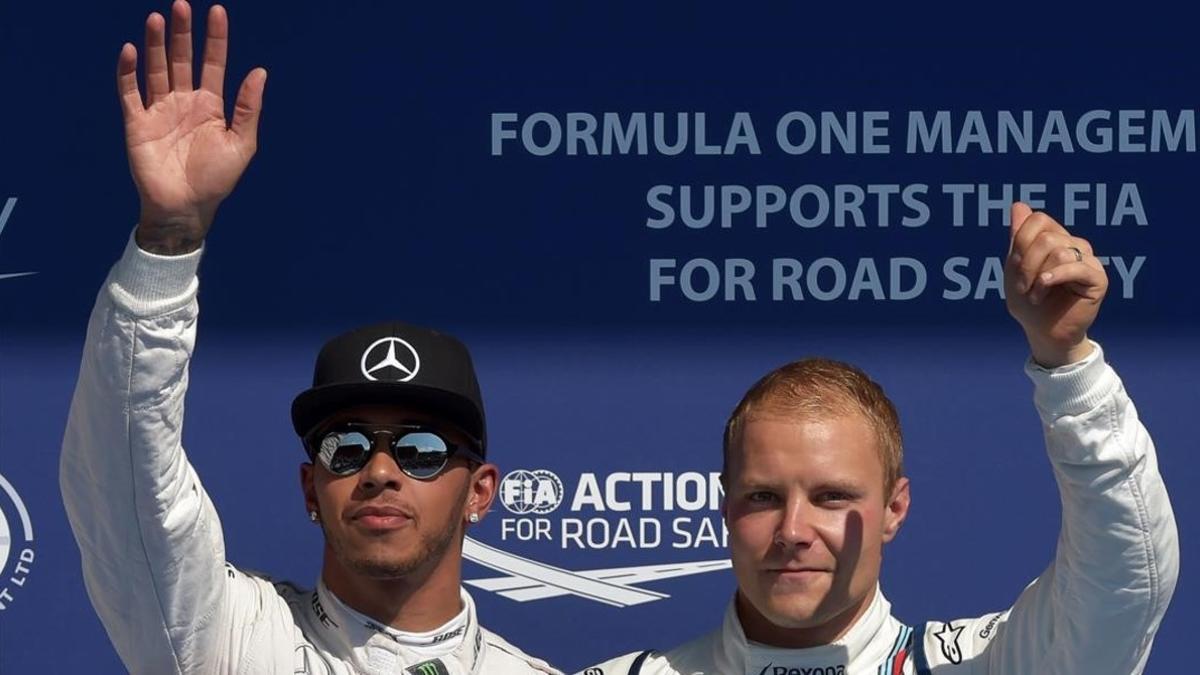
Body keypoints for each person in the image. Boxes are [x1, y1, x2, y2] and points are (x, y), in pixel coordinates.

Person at [59, 2, 560, 673]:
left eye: (421, 448)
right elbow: (127, 484)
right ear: (309, 488)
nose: (380, 472)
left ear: (480, 491)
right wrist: (169, 240)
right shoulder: (226, 639)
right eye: (346, 446)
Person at [584, 202, 1179, 674]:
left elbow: (1121, 583)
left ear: (894, 508)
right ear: (723, 505)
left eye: (832, 497)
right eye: (763, 497)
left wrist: (1068, 364)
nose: (793, 532)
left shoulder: (989, 665)